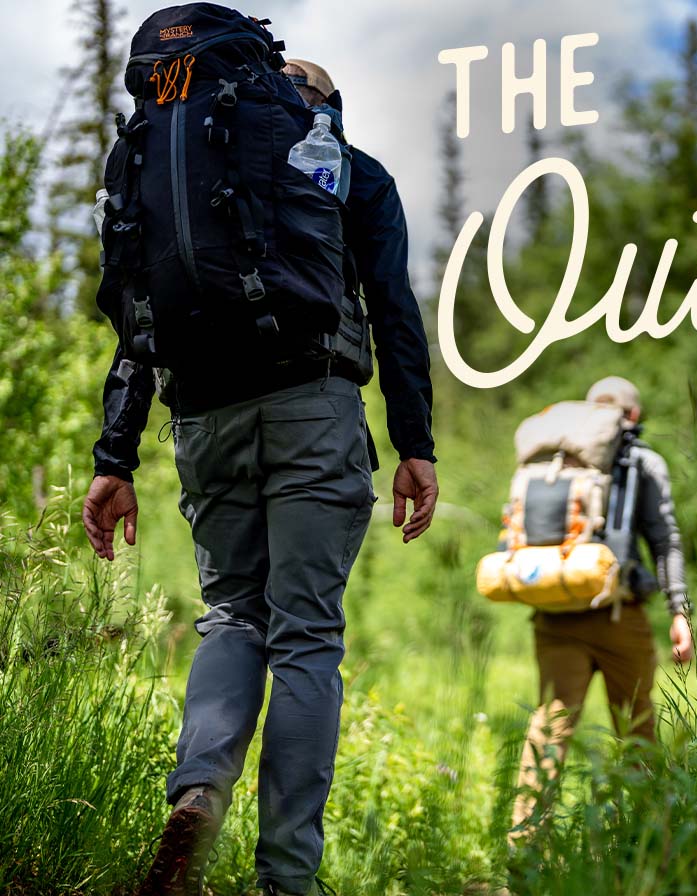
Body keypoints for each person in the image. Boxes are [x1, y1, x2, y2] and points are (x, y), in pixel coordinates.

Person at [81, 57, 439, 896]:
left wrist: (114, 457)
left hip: (202, 412)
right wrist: (415, 443)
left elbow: (133, 320)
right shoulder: (354, 173)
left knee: (232, 616)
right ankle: (287, 877)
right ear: (327, 109)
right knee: (307, 635)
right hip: (314, 402)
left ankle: (199, 792)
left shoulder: (176, 168)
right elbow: (393, 310)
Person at [510, 376, 694, 842]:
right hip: (618, 615)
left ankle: (524, 849)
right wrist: (679, 610)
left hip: (554, 608)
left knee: (549, 728)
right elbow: (664, 537)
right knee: (636, 726)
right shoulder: (641, 459)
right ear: (632, 416)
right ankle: (653, 839)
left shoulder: (552, 456)